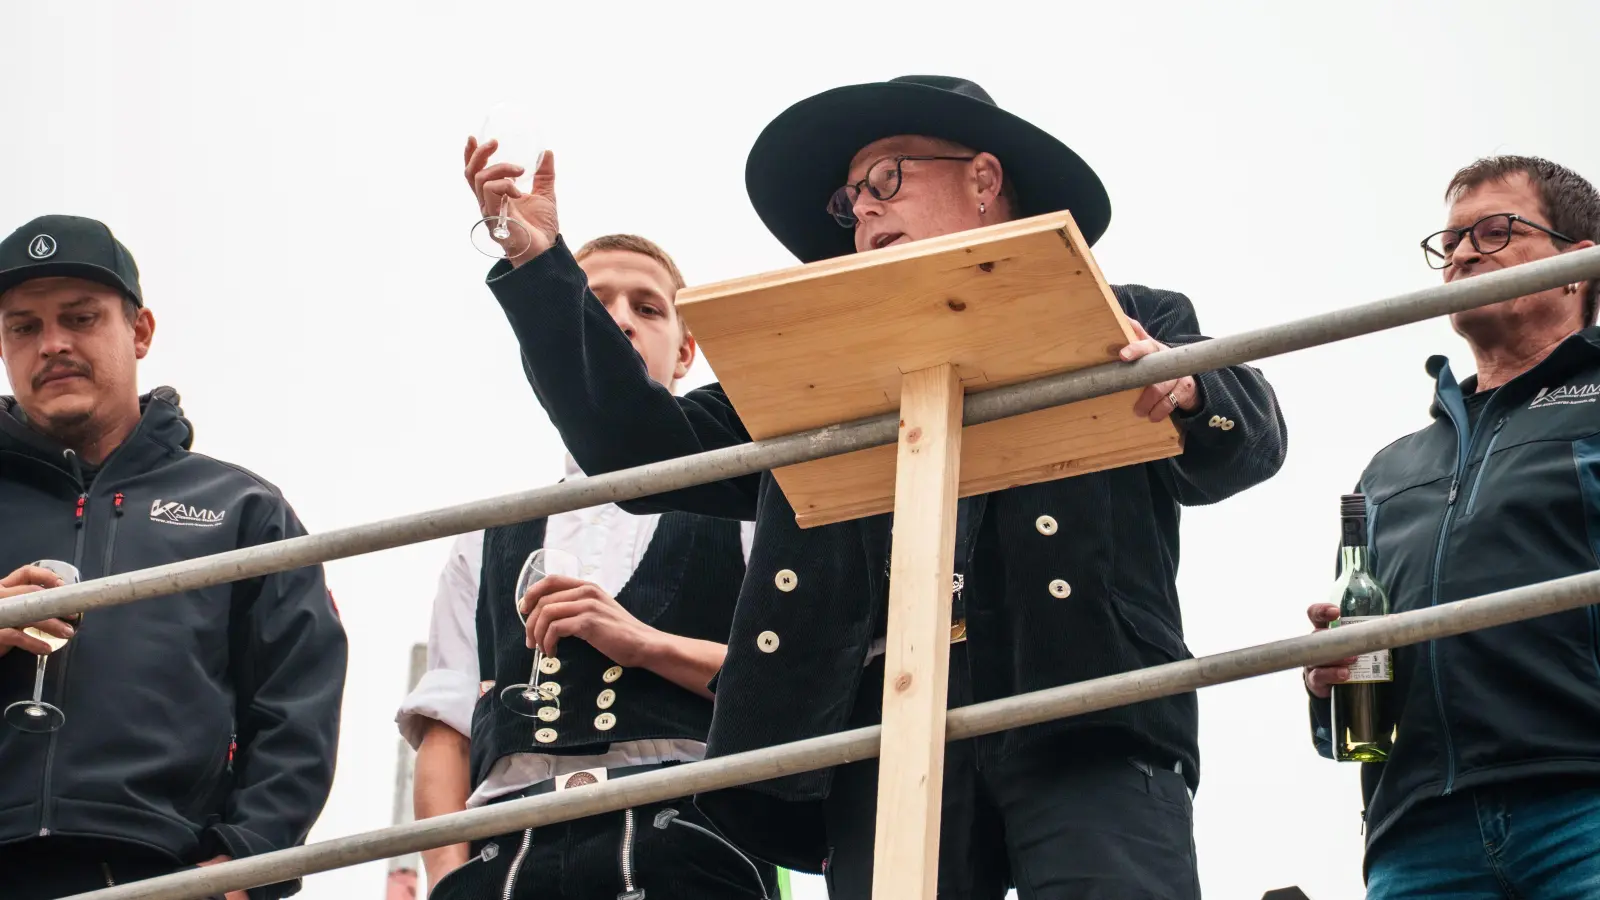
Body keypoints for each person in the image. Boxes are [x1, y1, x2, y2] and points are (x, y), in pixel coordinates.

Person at [466, 76, 1287, 899]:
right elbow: (636, 449)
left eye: (886, 178)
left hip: (1088, 708)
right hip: (879, 728)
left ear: (984, 180)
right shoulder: (814, 375)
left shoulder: (1125, 315)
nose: (861, 208)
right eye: (849, 198)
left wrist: (1184, 388)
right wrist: (538, 262)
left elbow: (1250, 438)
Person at [396, 225, 777, 900]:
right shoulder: (484, 538)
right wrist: (448, 878)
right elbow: (448, 726)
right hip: (505, 856)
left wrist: (645, 643)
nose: (621, 322)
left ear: (687, 350)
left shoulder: (753, 509)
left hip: (691, 839)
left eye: (648, 307)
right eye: (595, 306)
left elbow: (786, 684)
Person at [0, 215, 348, 900]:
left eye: (80, 317)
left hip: (159, 872)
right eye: (24, 327)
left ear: (141, 331)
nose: (54, 345)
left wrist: (250, 860)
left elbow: (297, 701)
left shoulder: (243, 508)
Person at [1304, 155, 1600, 899]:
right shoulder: (1390, 468)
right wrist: (1326, 679)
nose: (1464, 254)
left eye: (1495, 232)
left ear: (1578, 265)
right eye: (1451, 242)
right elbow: (1355, 704)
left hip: (1582, 801)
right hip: (1419, 830)